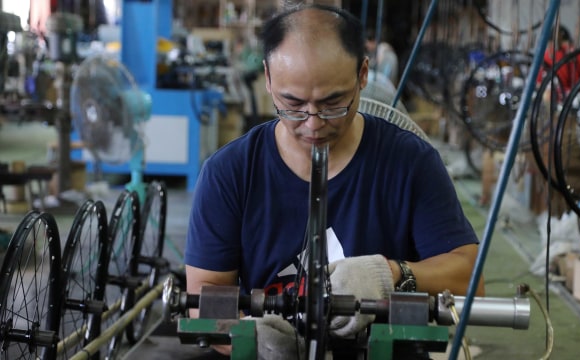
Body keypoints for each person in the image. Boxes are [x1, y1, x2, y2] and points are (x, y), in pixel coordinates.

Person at [185, 4, 483, 358]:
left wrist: (391, 274)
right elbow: (204, 297)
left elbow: (469, 277)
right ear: (267, 77)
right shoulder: (230, 174)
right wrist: (248, 339)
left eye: (333, 103)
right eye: (292, 104)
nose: (313, 123)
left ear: (363, 75)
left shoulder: (410, 164)